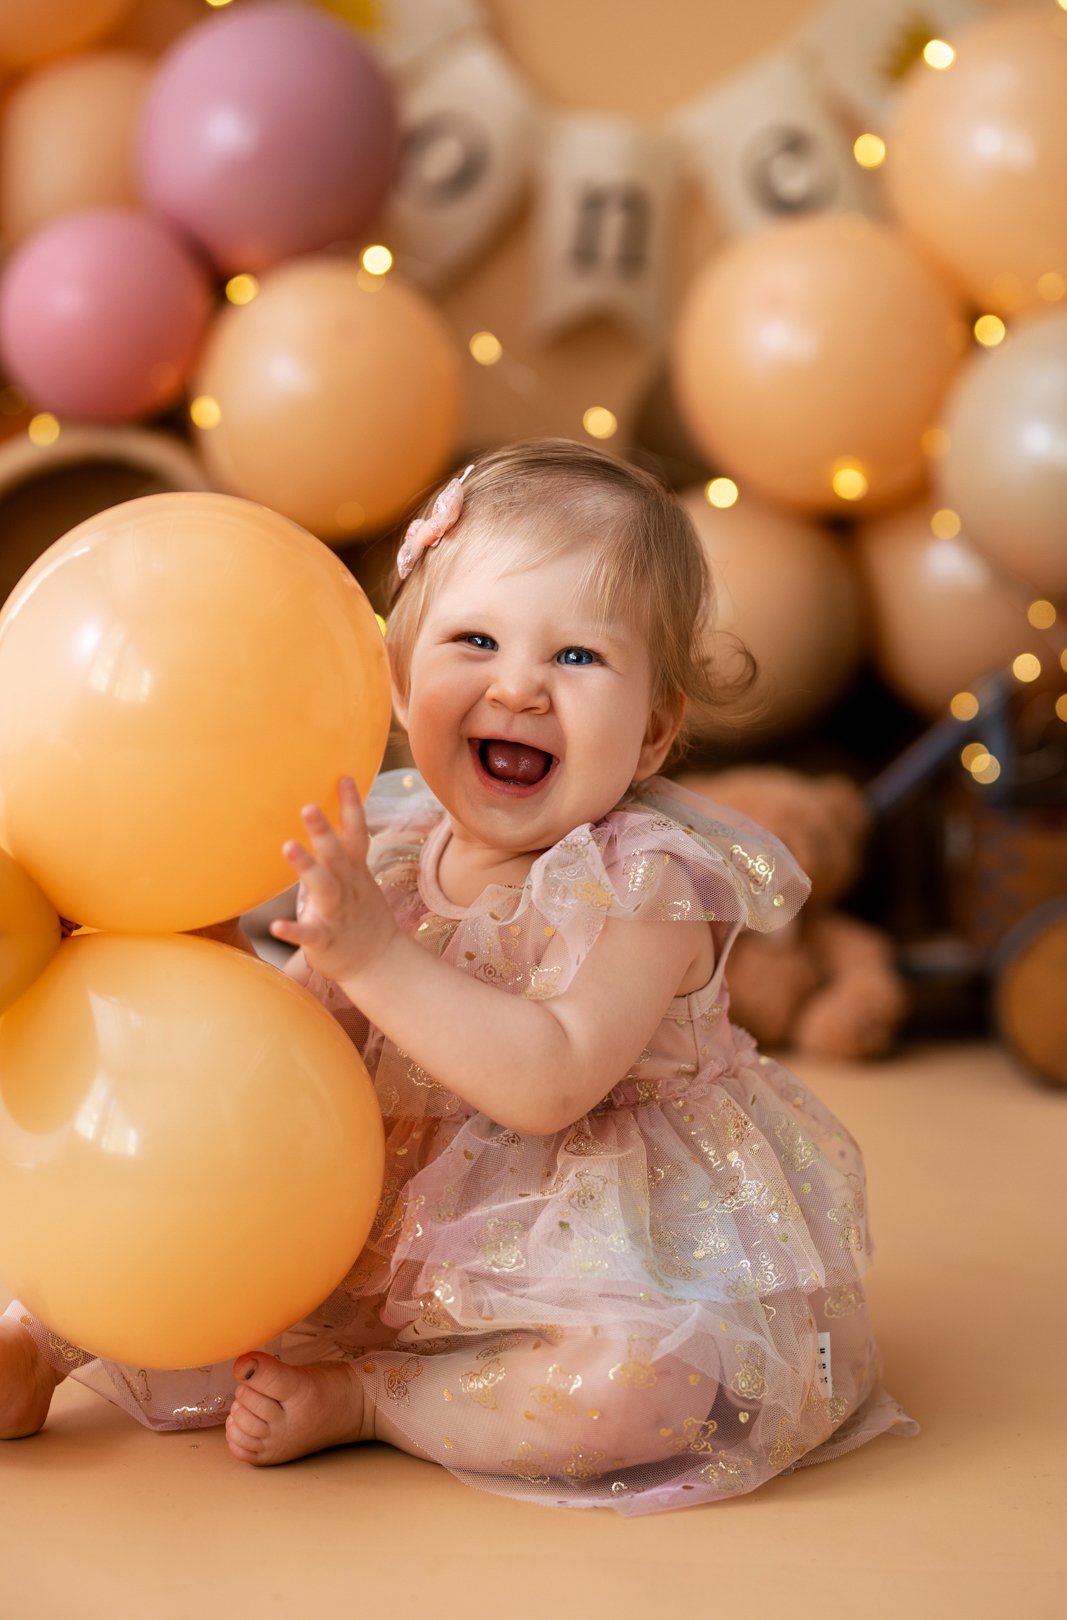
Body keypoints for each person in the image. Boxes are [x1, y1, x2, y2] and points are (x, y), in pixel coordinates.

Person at [0, 440, 916, 1515]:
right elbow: (289, 1053)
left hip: (580, 1237)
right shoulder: (384, 837)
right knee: (200, 1217)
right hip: (362, 1204)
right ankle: (52, 1335)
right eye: (474, 640)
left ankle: (377, 1398)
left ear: (656, 729)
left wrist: (377, 954)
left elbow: (552, 1079)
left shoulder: (650, 887)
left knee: (646, 1383)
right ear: (397, 679)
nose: (519, 685)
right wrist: (206, 943)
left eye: (578, 657)